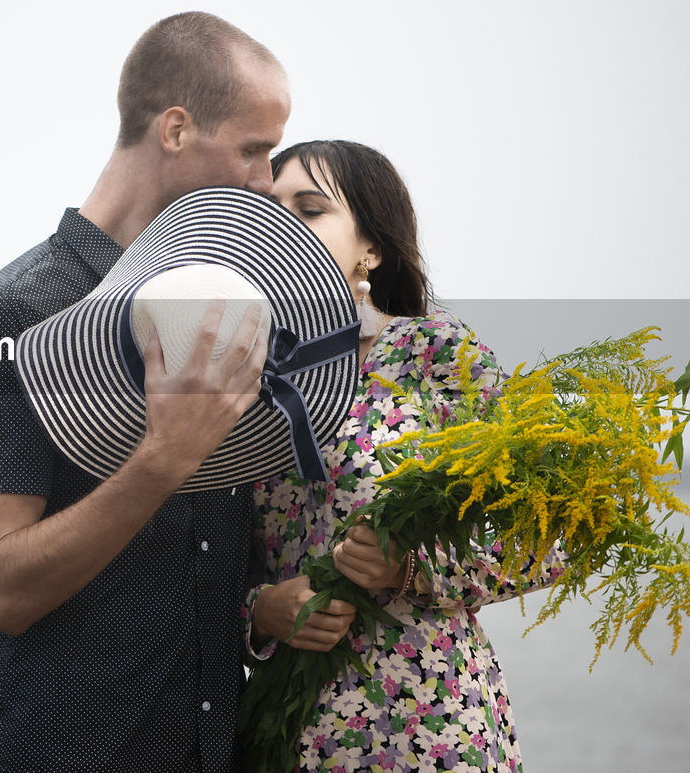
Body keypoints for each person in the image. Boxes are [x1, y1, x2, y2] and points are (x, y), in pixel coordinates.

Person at [0, 12, 290, 772]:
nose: (267, 181)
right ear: (174, 129)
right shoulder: (12, 316)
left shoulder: (221, 312)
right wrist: (163, 460)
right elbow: (1, 589)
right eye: (254, 150)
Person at [243, 139, 567, 772]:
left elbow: (548, 534)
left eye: (309, 209)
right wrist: (260, 612)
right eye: (266, 207)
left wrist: (412, 567)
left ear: (372, 247)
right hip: (288, 734)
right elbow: (194, 557)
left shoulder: (437, 353)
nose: (280, 224)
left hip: (429, 721)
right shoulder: (236, 372)